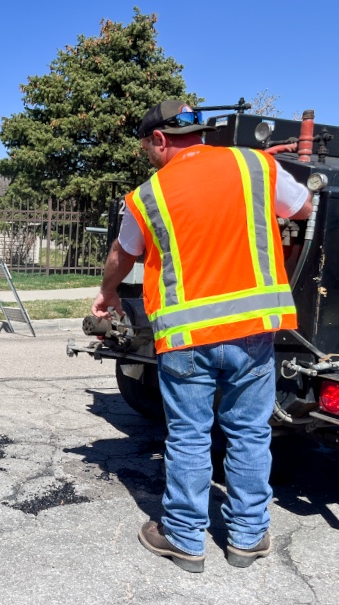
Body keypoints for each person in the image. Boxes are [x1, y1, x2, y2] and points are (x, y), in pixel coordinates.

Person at [92, 100, 313, 572]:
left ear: (159, 139)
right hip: (253, 331)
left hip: (187, 336)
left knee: (189, 436)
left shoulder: (149, 195)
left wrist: (107, 294)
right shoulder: (254, 164)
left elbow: (122, 253)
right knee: (250, 433)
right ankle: (248, 538)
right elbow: (305, 207)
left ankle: (185, 537)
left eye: (146, 147)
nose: (147, 156)